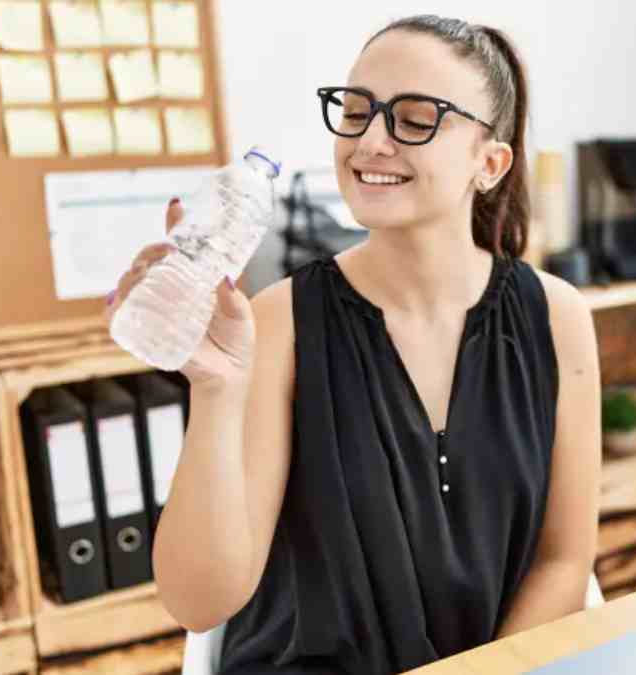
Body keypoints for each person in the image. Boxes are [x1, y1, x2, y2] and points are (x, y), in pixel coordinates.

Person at [103, 14, 602, 674]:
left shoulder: (556, 316)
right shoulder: (280, 320)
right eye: (357, 110)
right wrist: (217, 389)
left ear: (490, 162)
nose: (370, 140)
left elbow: (564, 562)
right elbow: (198, 603)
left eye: (416, 118)